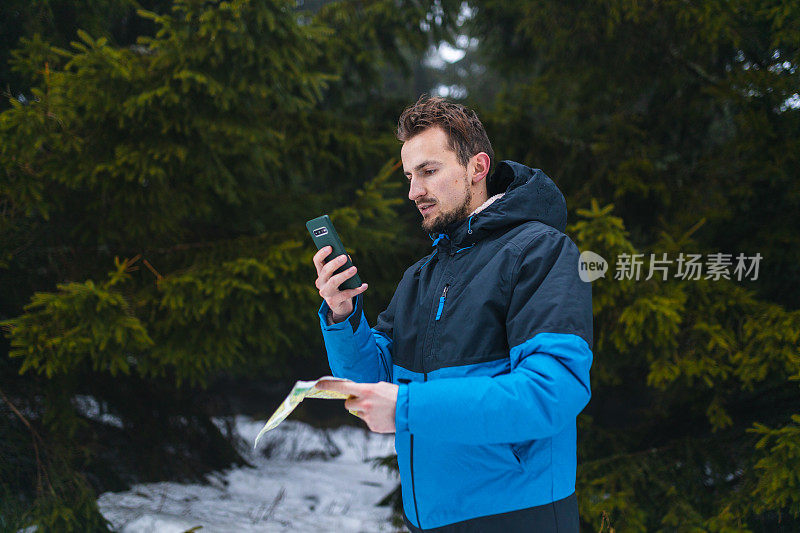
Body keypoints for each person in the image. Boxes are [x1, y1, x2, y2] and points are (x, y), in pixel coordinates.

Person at [312, 95, 593, 532]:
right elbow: (374, 384)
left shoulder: (540, 251)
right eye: (409, 176)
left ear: (477, 168)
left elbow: (551, 392)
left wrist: (408, 407)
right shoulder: (422, 276)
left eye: (428, 171)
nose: (414, 192)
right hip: (430, 518)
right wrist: (343, 315)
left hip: (517, 515)